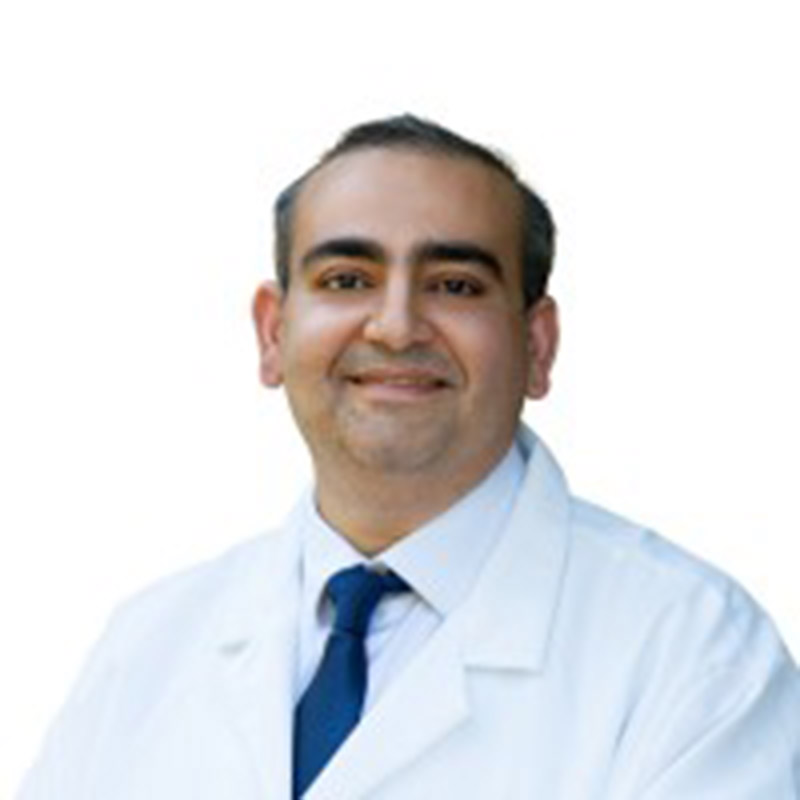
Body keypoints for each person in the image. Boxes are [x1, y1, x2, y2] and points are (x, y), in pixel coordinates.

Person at [18, 115, 800, 799]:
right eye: (346, 279)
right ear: (273, 333)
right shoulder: (148, 646)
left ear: (536, 345)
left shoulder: (694, 652)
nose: (395, 326)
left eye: (455, 285)